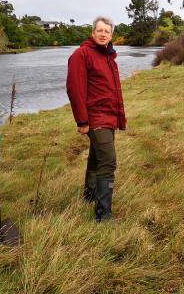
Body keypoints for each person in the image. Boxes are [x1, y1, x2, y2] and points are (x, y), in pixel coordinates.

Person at [66, 16, 126, 222]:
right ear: (93, 33)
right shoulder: (81, 54)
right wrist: (82, 120)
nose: (103, 34)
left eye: (107, 32)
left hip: (108, 116)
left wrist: (118, 116)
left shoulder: (108, 56)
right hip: (95, 117)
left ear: (111, 36)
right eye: (99, 31)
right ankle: (103, 215)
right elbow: (75, 89)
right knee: (108, 162)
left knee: (96, 157)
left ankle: (89, 195)